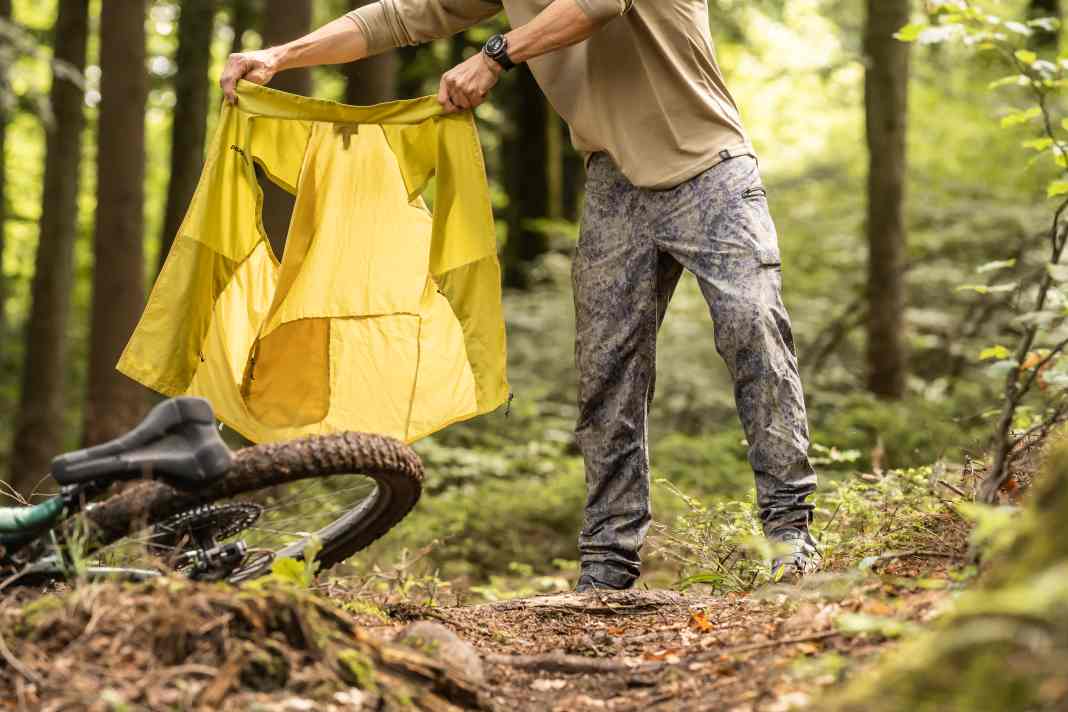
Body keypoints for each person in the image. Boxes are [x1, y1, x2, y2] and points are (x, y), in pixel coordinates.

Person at [220, 0, 820, 591]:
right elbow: (400, 16)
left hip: (713, 170)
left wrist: (495, 55)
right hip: (614, 182)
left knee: (753, 328)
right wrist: (280, 54)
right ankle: (608, 565)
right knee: (606, 373)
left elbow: (599, 4)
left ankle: (790, 536)